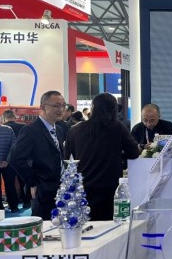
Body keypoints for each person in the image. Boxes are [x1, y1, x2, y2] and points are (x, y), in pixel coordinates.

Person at [65, 93, 140, 220]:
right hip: (110, 187)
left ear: (93, 107)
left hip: (83, 187)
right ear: (114, 109)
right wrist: (119, 157)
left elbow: (68, 157)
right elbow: (134, 153)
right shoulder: (117, 127)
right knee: (110, 226)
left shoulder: (75, 130)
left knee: (86, 225)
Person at [8, 91, 66, 220]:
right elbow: (16, 159)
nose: (61, 109)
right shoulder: (30, 130)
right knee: (44, 225)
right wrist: (33, 182)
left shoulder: (59, 130)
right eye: (56, 106)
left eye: (63, 105)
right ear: (43, 107)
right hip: (43, 189)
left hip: (61, 188)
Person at [0, 123, 18, 212]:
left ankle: (0, 208)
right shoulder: (8, 129)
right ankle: (13, 206)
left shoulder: (8, 129)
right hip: (8, 163)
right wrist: (7, 160)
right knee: (10, 185)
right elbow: (14, 146)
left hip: (7, 163)